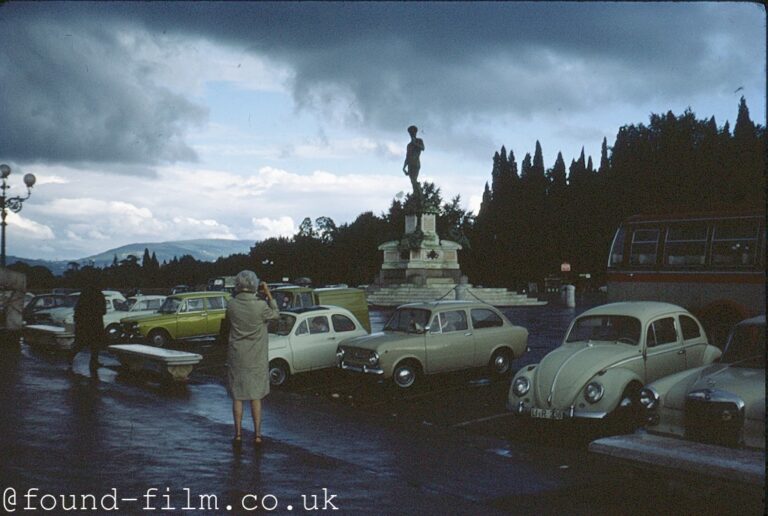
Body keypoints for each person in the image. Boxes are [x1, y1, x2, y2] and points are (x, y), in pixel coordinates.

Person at [225, 270, 279, 446]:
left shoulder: (231, 305)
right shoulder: (261, 306)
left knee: (238, 397)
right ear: (255, 285)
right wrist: (268, 294)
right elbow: (276, 314)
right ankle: (257, 435)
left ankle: (238, 434)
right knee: (256, 396)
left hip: (237, 356)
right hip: (256, 357)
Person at [68, 284, 107, 372]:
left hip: (83, 324)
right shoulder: (99, 295)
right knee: (95, 344)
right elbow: (103, 311)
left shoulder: (84, 295)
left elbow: (77, 310)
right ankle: (93, 362)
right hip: (95, 323)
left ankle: (70, 356)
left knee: (81, 342)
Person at [402, 125, 425, 200]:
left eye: (412, 132)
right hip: (410, 165)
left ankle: (419, 195)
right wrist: (404, 167)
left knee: (414, 180)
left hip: (416, 163)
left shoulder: (419, 140)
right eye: (410, 133)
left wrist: (415, 143)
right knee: (412, 181)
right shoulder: (409, 145)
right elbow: (407, 156)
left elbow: (423, 148)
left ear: (415, 132)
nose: (411, 134)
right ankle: (416, 194)